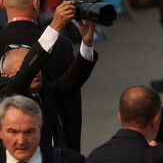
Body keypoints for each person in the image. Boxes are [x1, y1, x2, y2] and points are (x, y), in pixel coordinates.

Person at [0, 0, 83, 150]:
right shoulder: (61, 46)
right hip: (51, 146)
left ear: (2, 3)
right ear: (36, 3)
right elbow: (71, 105)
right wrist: (73, 153)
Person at [0, 16, 97, 151]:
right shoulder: (5, 93)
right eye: (27, 67)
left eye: (39, 68)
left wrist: (87, 43)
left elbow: (71, 81)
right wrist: (55, 27)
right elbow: (24, 76)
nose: (37, 72)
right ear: (6, 75)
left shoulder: (45, 92)